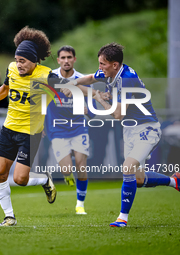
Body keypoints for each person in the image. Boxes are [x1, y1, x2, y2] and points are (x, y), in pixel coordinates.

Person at [61, 42, 180, 227]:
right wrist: (72, 83)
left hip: (146, 129)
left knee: (127, 168)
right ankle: (174, 181)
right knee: (138, 180)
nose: (100, 67)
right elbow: (91, 78)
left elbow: (117, 115)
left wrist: (98, 98)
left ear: (114, 64)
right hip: (130, 130)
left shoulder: (126, 80)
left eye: (103, 64)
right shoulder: (110, 72)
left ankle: (122, 218)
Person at [0, 26, 59, 226]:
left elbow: (63, 95)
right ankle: (9, 217)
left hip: (30, 133)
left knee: (20, 180)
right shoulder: (12, 69)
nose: (18, 64)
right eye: (17, 60)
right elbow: (6, 88)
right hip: (9, 129)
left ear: (34, 61)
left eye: (22, 61)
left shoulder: (47, 76)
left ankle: (43, 179)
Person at [45, 45, 96, 215]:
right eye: (63, 58)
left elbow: (94, 111)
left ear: (74, 59)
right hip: (57, 128)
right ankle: (67, 175)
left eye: (69, 57)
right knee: (66, 169)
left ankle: (80, 204)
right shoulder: (50, 78)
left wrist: (88, 111)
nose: (66, 61)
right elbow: (40, 102)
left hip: (78, 128)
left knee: (82, 165)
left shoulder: (82, 79)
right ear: (58, 60)